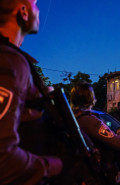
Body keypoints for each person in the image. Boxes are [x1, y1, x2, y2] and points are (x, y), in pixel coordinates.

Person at [0, 0, 63, 184]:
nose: (38, 10)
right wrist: (53, 165)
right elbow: (3, 157)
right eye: (35, 5)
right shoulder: (10, 61)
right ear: (23, 12)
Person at [70, 81, 120, 184]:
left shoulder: (72, 120)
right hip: (98, 175)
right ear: (91, 98)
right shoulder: (89, 120)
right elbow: (119, 143)